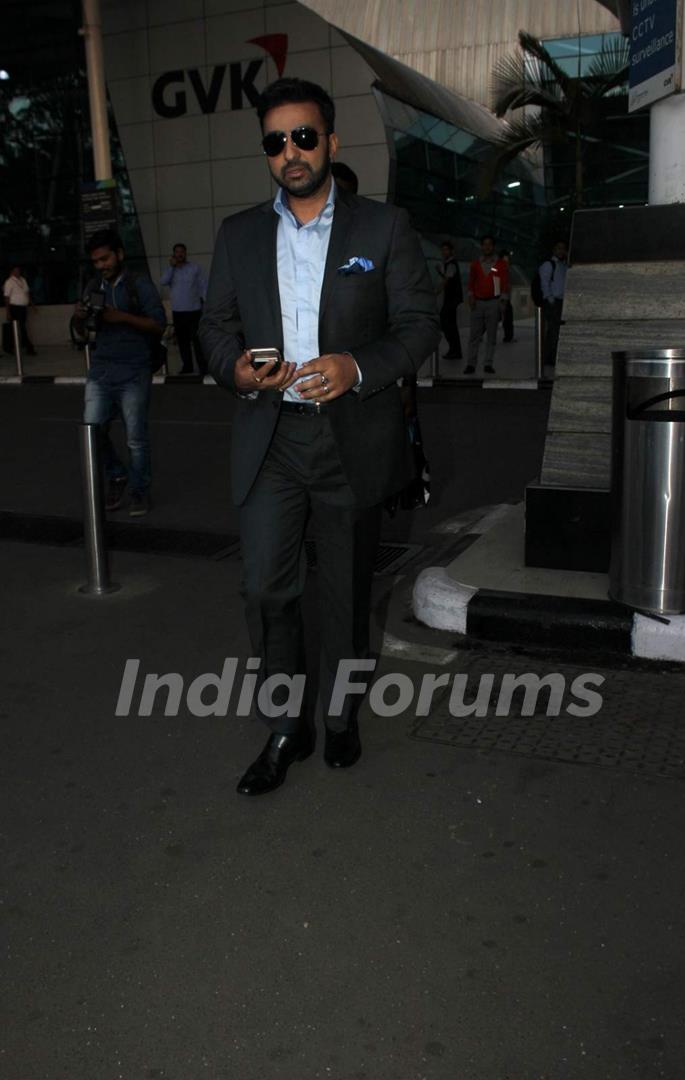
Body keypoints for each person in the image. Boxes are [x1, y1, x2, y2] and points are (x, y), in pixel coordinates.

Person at [199, 77, 439, 797]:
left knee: (344, 591)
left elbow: (419, 325)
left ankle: (339, 715)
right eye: (276, 142)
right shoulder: (240, 234)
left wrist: (356, 366)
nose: (291, 153)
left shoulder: (382, 228)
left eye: (304, 137)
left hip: (351, 438)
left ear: (331, 142)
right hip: (271, 440)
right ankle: (284, 726)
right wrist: (236, 370)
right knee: (266, 589)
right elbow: (213, 329)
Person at [74, 230, 166, 517]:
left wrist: (121, 316)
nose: (101, 265)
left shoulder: (139, 284)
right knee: (92, 430)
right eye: (96, 261)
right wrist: (79, 318)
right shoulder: (92, 286)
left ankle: (139, 491)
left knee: (135, 438)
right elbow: (81, 333)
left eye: (105, 258)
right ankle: (116, 475)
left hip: (134, 370)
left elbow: (159, 324)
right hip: (101, 369)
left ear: (119, 254)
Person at [464, 234, 509, 375]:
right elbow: (471, 282)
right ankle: (471, 364)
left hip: (493, 302)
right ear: (481, 246)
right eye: (484, 244)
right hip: (477, 303)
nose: (487, 246)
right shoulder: (475, 264)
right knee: (474, 336)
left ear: (493, 246)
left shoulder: (500, 264)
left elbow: (504, 282)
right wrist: (471, 296)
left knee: (491, 336)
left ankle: (488, 364)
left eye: (490, 244)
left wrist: (503, 300)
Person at [160, 243, 207, 374]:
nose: (179, 254)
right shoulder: (171, 270)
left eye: (182, 252)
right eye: (177, 252)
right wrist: (171, 267)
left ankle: (203, 367)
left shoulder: (194, 268)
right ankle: (187, 367)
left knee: (197, 341)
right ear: (173, 254)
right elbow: (163, 281)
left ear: (185, 253)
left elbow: (203, 285)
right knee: (182, 342)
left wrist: (206, 303)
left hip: (194, 310)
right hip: (178, 311)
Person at [539, 240, 568, 367]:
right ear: (554, 250)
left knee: (556, 331)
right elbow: (544, 283)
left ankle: (552, 357)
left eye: (563, 248)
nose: (561, 251)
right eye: (558, 248)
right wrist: (549, 298)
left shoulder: (563, 265)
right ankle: (549, 358)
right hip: (553, 302)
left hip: (561, 301)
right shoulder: (549, 265)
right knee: (553, 331)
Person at [436, 241, 462, 360]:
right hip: (451, 298)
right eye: (443, 249)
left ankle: (455, 350)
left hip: (452, 298)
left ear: (451, 251)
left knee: (448, 323)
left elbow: (447, 280)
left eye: (446, 250)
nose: (444, 252)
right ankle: (454, 350)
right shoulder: (448, 264)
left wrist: (437, 291)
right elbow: (447, 277)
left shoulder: (451, 264)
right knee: (449, 324)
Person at [3, 266, 37, 355]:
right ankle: (29, 347)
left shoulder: (23, 280)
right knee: (20, 327)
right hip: (14, 307)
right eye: (16, 270)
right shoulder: (9, 282)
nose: (18, 272)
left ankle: (13, 347)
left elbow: (26, 293)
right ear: (12, 272)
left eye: (19, 270)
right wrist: (8, 311)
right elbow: (6, 297)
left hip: (23, 307)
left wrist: (32, 304)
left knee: (20, 327)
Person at [498, 249, 515, 343]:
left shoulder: (506, 267)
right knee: (506, 316)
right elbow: (497, 281)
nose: (508, 259)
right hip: (502, 296)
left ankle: (508, 337)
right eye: (506, 257)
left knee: (503, 316)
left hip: (504, 296)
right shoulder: (500, 267)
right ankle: (508, 337)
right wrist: (500, 297)